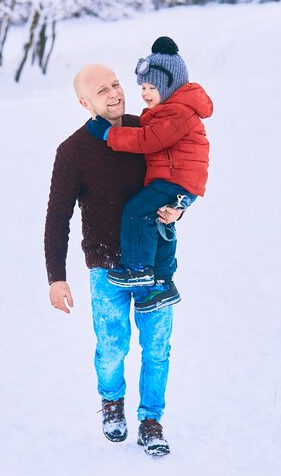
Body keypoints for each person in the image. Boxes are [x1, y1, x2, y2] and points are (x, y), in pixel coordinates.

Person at [44, 63, 183, 456]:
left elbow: (178, 178)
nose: (114, 93)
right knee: (112, 347)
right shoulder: (73, 151)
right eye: (102, 90)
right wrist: (57, 276)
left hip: (155, 263)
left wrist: (179, 208)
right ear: (84, 102)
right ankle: (112, 403)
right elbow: (58, 216)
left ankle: (151, 419)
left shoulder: (148, 131)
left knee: (158, 347)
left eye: (116, 84)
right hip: (107, 266)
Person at [87, 37, 213, 312]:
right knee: (161, 223)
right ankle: (163, 284)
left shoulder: (177, 112)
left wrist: (109, 133)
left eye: (152, 87)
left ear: (170, 86)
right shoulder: (168, 110)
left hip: (175, 178)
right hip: (180, 180)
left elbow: (148, 140)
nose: (145, 93)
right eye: (142, 87)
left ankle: (138, 268)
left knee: (135, 211)